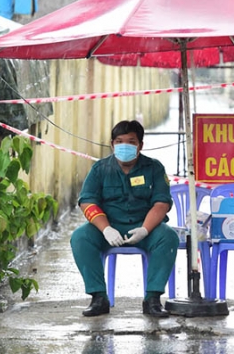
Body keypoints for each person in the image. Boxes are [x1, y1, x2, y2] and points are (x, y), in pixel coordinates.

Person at [70, 120, 179, 318]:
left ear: (140, 145)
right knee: (80, 237)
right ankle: (98, 298)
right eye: (119, 142)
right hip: (108, 227)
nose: (124, 146)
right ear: (112, 144)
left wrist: (145, 229)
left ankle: (153, 299)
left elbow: (161, 203)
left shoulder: (154, 168)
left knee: (169, 237)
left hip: (146, 227)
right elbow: (87, 201)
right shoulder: (100, 169)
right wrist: (106, 229)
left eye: (131, 142)